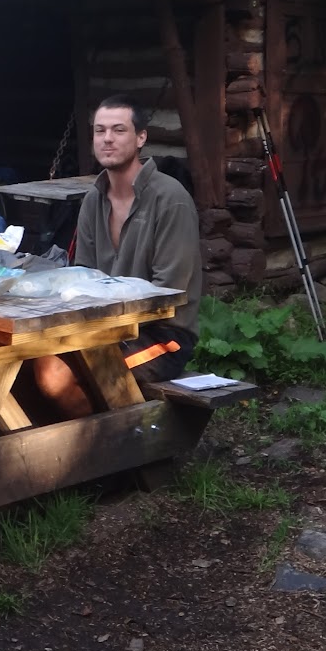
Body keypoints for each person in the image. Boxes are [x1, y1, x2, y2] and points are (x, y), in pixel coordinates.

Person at [35, 94, 202, 416]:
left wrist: (100, 333)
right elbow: (82, 278)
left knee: (57, 376)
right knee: (36, 364)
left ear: (141, 137)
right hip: (103, 328)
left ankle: (114, 456)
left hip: (164, 335)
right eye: (100, 131)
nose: (107, 139)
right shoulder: (93, 200)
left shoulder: (170, 199)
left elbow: (167, 295)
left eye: (118, 130)